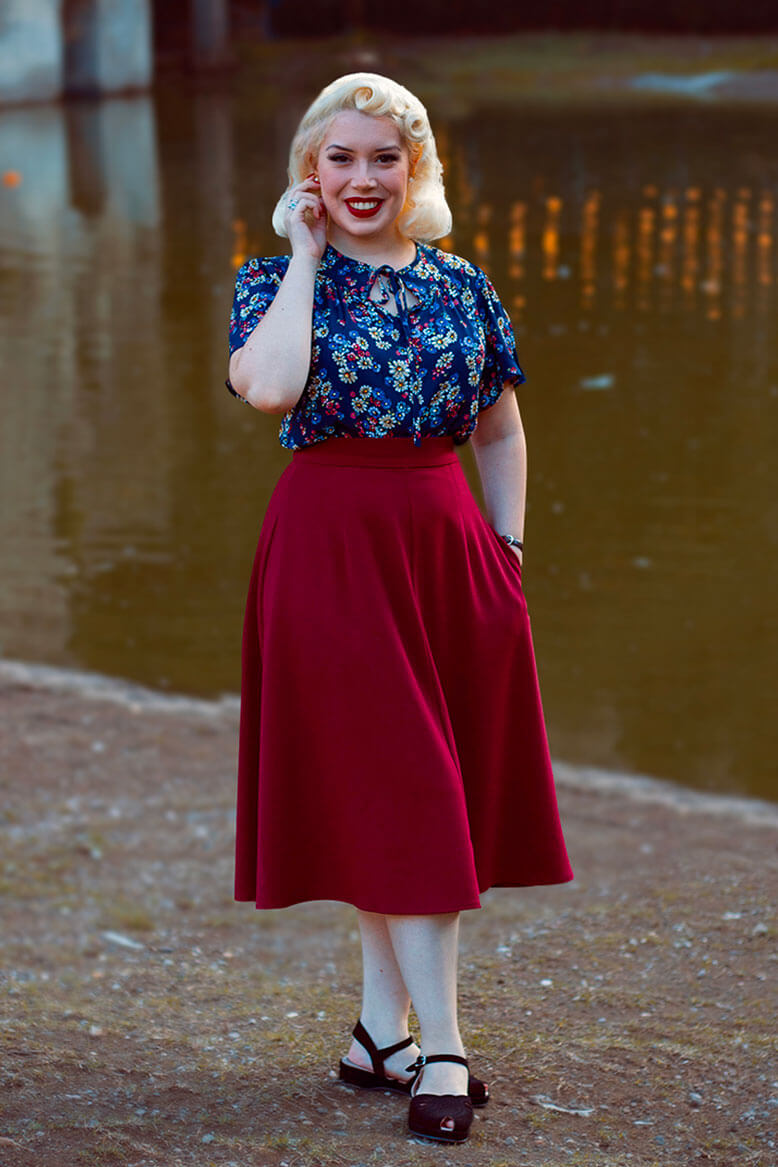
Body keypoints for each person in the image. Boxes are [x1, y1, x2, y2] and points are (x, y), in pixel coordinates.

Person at [225, 72, 574, 1145]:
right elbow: (271, 390)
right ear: (308, 174)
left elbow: (501, 431)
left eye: (384, 157)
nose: (363, 178)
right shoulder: (269, 284)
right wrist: (304, 257)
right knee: (406, 790)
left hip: (448, 553)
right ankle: (446, 1050)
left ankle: (381, 1033)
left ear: (412, 166)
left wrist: (506, 547)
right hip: (328, 553)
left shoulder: (461, 286)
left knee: (402, 791)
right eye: (340, 159)